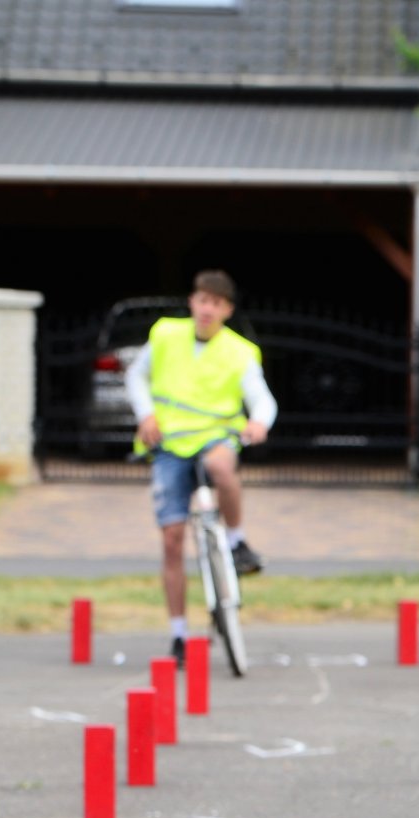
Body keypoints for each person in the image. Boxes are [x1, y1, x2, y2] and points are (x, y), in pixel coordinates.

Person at [127, 269, 276, 664]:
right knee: (172, 537)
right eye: (202, 300)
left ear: (227, 309)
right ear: (193, 302)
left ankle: (236, 541)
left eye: (216, 303)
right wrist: (146, 415)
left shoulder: (240, 351)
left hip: (215, 436)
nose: (207, 309)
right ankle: (178, 634)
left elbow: (262, 399)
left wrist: (259, 422)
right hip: (170, 442)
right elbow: (136, 376)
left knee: (222, 467)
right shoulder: (165, 335)